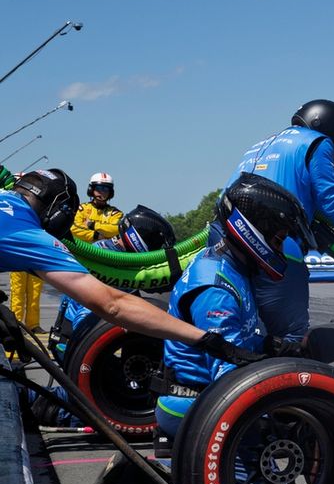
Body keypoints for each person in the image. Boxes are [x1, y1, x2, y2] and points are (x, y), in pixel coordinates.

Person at [91, 175, 316, 484]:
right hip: (193, 402)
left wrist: (279, 348)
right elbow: (230, 376)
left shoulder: (230, 265)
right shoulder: (217, 287)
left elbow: (238, 343)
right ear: (253, 230)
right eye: (277, 238)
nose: (279, 247)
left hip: (200, 396)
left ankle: (162, 478)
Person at [0, 168, 261, 397]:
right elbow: (111, 305)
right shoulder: (30, 233)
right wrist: (205, 339)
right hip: (72, 345)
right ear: (59, 213)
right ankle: (38, 403)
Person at [222, 99, 334, 342]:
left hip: (225, 237)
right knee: (290, 336)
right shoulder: (317, 142)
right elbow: (329, 198)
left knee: (239, 326)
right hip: (274, 243)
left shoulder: (260, 145)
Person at [32, 206, 178, 426]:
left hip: (67, 337)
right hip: (73, 343)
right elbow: (88, 322)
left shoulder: (107, 252)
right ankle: (37, 403)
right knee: (109, 405)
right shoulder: (112, 265)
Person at [72, 172, 123, 243]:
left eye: (105, 189)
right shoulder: (81, 209)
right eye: (98, 189)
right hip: (80, 248)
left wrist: (93, 225)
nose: (101, 192)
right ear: (91, 190)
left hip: (103, 249)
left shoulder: (115, 213)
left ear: (110, 193)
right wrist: (96, 235)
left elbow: (116, 229)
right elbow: (73, 228)